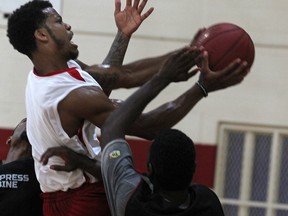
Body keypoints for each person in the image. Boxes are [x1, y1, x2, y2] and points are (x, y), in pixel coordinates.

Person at [7, 1, 248, 216]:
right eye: (58, 21)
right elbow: (150, 126)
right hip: (79, 200)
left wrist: (192, 53)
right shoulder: (69, 95)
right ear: (41, 35)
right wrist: (200, 88)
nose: (68, 26)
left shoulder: (51, 72)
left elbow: (119, 75)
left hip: (70, 191)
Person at [41, 50, 244, 215]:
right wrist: (201, 87)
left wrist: (165, 77)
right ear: (194, 169)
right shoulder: (208, 203)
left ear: (149, 169)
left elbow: (112, 127)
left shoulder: (132, 198)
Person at [0, 118, 43, 216]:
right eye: (25, 122)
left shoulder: (43, 174)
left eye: (36, 126)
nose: (30, 125)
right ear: (9, 139)